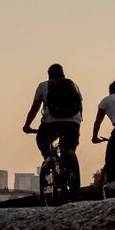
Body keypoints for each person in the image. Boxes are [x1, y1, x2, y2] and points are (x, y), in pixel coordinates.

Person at [22, 63, 83, 193]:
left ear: (49, 75)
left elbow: (34, 108)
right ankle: (70, 167)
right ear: (63, 74)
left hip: (51, 122)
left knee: (42, 139)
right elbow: (79, 106)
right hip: (73, 121)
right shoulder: (74, 85)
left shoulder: (44, 85)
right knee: (68, 147)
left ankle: (49, 158)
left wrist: (27, 125)